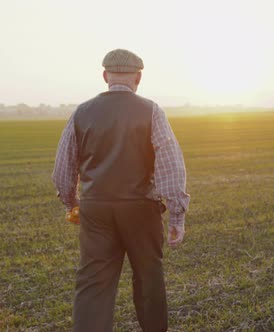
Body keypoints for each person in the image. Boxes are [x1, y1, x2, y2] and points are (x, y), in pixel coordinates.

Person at [52, 48, 190, 332]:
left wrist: (72, 203)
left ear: (105, 76)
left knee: (93, 285)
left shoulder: (81, 112)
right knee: (148, 280)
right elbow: (170, 166)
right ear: (138, 78)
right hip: (141, 209)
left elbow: (63, 170)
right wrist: (177, 216)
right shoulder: (151, 111)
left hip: (96, 209)